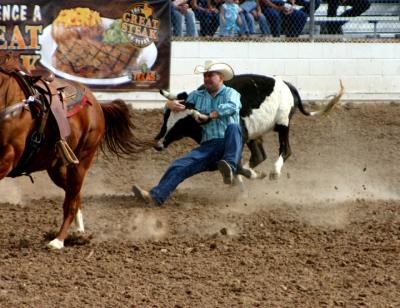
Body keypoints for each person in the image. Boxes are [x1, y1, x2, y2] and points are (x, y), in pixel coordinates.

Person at [132, 60, 243, 207]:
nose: (207, 78)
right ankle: (155, 196)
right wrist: (169, 105)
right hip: (209, 146)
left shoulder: (231, 93)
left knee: (234, 127)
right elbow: (177, 108)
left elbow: (232, 107)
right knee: (179, 165)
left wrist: (210, 115)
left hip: (230, 143)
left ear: (221, 78)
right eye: (205, 75)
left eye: (211, 75)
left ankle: (229, 166)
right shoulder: (197, 96)